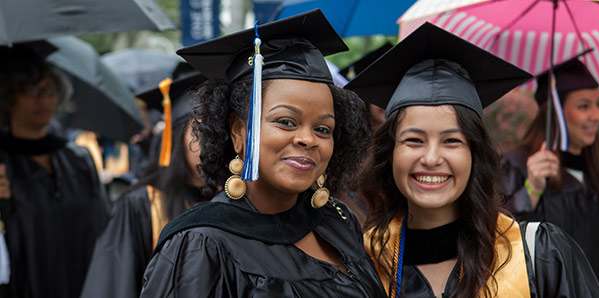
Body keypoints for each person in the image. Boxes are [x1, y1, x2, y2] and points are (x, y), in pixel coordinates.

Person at [347, 22, 599, 298]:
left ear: (475, 154)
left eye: (452, 141)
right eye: (414, 140)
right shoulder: (362, 265)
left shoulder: (538, 256)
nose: (432, 158)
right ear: (390, 154)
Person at [139, 10, 383, 297]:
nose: (307, 139)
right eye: (286, 122)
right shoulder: (202, 243)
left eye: (323, 129)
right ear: (239, 131)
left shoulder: (337, 222)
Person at [501, 52, 599, 298]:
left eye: (598, 105)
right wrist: (531, 189)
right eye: (584, 106)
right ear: (555, 112)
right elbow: (502, 246)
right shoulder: (517, 165)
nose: (597, 115)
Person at [79, 65, 209, 298]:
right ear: (175, 137)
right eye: (200, 132)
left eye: (220, 131)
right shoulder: (140, 206)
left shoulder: (235, 199)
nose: (212, 144)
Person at [0, 45, 109, 298]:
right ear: (8, 96)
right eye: (30, 90)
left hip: (83, 285)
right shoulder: (3, 164)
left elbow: (103, 226)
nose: (43, 99)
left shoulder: (77, 159)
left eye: (48, 89)